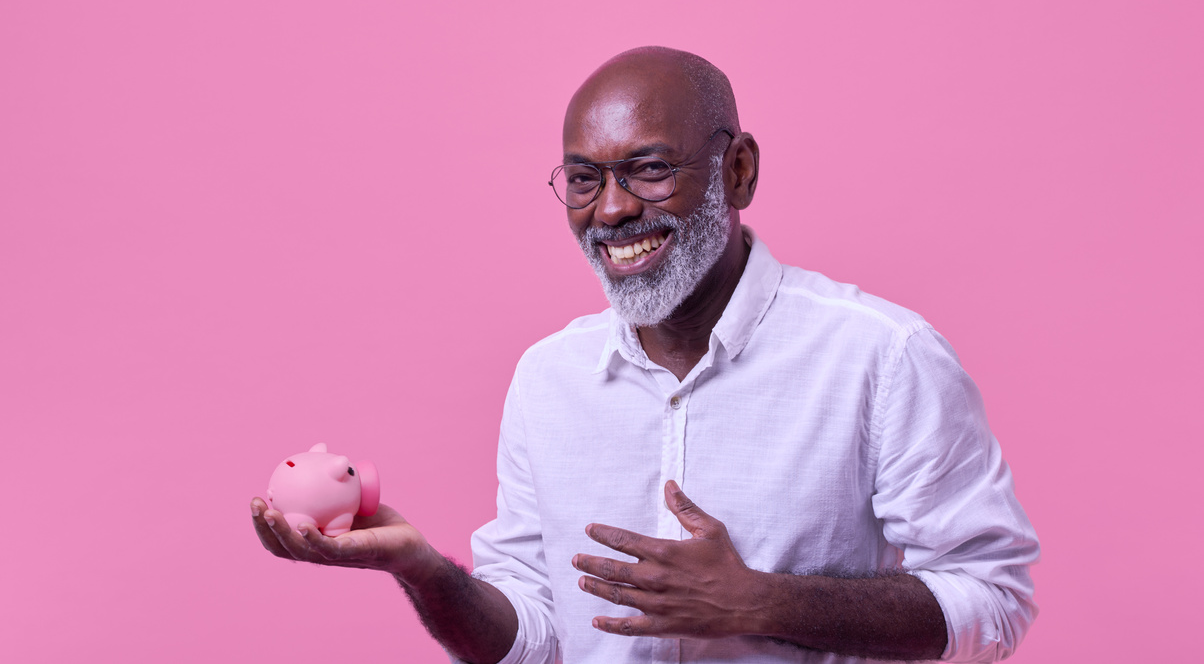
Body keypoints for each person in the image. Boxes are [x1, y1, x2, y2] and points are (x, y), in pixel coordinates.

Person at [251, 47, 1039, 663]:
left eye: (650, 169)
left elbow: (992, 601)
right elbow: (532, 639)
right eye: (586, 180)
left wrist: (762, 602)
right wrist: (420, 568)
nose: (615, 209)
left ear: (738, 171)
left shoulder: (882, 356)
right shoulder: (547, 380)